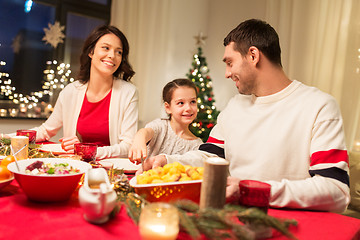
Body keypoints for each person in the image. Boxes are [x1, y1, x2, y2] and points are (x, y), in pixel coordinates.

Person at [140, 19, 350, 213]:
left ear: (253, 55)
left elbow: (336, 190)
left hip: (289, 225)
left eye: (229, 62)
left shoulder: (319, 106)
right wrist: (168, 160)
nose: (226, 73)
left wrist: (252, 190)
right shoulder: (235, 106)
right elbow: (211, 157)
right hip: (232, 219)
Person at [4, 25, 138, 159]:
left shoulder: (128, 92)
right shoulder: (70, 91)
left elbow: (128, 146)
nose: (112, 55)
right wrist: (8, 137)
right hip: (75, 166)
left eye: (118, 52)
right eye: (106, 48)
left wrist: (86, 151)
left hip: (111, 171)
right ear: (91, 52)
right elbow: (46, 130)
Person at [128, 78, 203, 163]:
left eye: (193, 102)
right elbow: (144, 132)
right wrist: (139, 139)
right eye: (181, 103)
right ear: (168, 107)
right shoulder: (161, 126)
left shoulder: (197, 145)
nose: (188, 108)